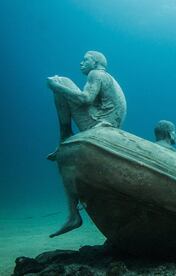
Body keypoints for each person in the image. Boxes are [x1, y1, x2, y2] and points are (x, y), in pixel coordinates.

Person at [46, 51, 127, 238]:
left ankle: (64, 135)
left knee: (60, 81)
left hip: (98, 124)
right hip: (106, 123)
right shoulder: (107, 77)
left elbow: (84, 99)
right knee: (59, 84)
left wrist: (53, 86)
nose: (81, 63)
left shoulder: (96, 74)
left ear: (96, 62)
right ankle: (65, 136)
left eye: (85, 59)